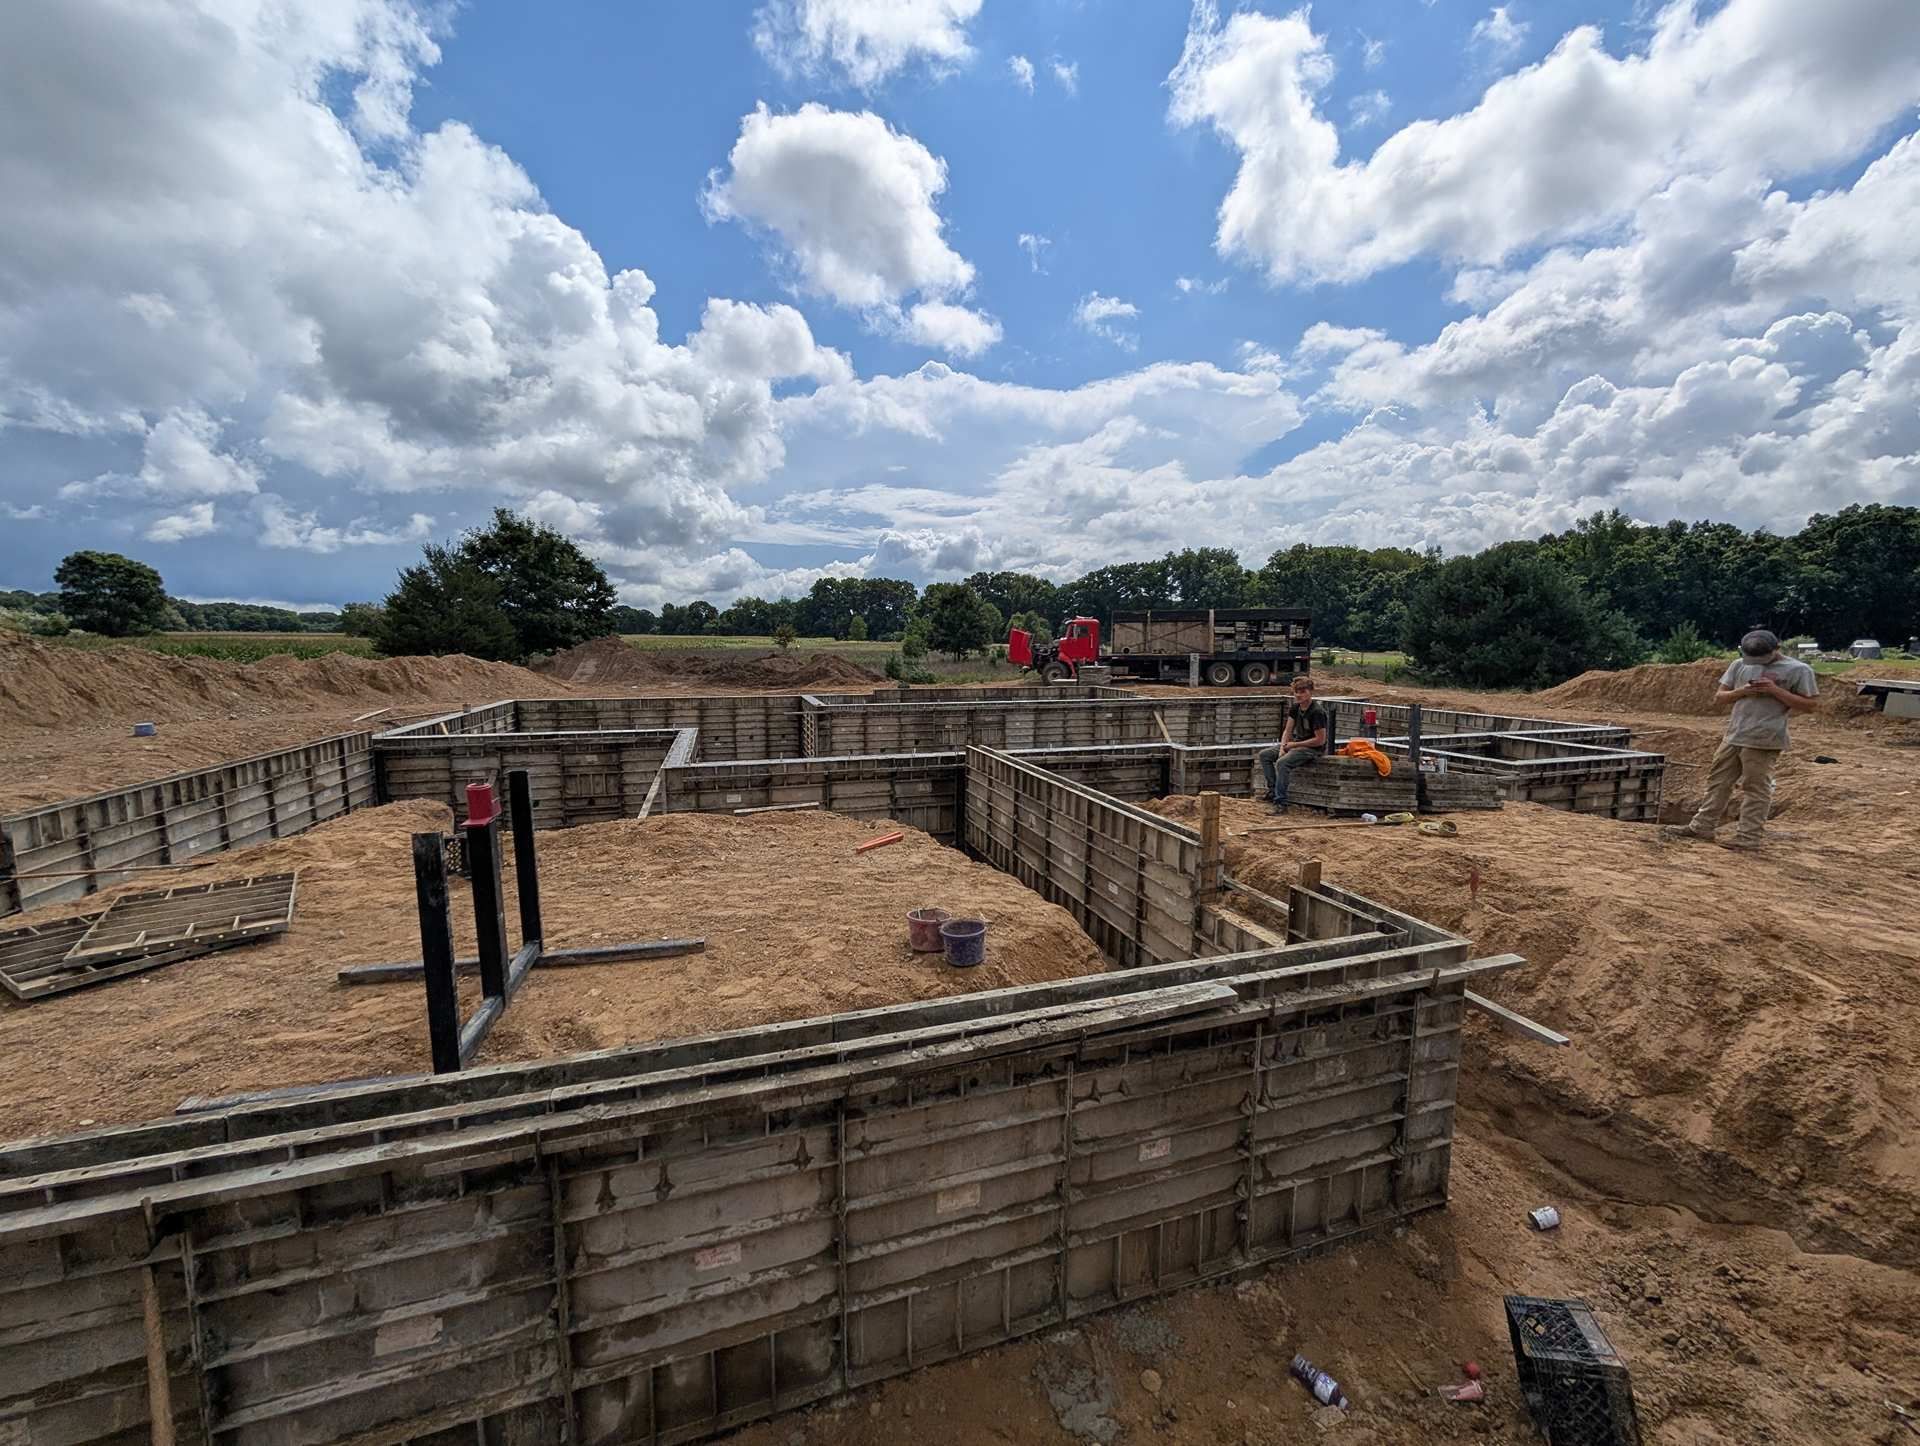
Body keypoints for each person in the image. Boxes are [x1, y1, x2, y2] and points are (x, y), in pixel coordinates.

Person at [1663, 629, 1817, 850]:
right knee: (1718, 781)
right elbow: (1720, 697)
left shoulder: (1798, 670)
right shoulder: (1739, 665)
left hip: (1765, 738)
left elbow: (1810, 705)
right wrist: (1742, 691)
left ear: (1777, 648)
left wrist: (1775, 691)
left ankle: (1748, 837)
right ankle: (1702, 826)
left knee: (1756, 788)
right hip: (1735, 734)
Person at [1258, 674, 1328, 811]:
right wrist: (1282, 748)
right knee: (1264, 755)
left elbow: (1320, 740)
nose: (1299, 695)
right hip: (1296, 744)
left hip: (1312, 749)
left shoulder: (1317, 712)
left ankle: (1281, 801)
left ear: (1310, 692)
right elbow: (1288, 730)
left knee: (1282, 763)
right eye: (1297, 692)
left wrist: (1293, 745)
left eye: (1303, 692)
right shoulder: (1295, 708)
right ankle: (1272, 790)